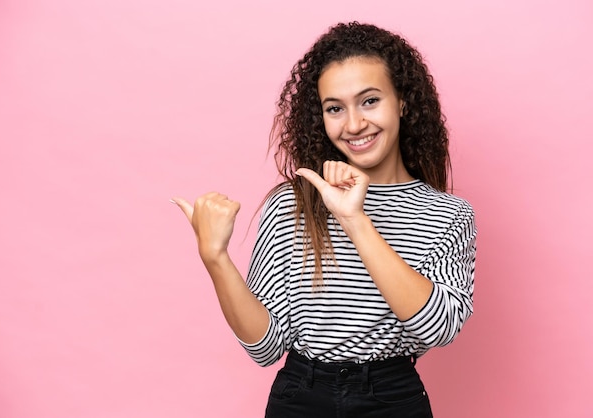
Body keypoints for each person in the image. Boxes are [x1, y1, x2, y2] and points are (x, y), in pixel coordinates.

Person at [172, 21, 476, 418]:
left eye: (370, 101)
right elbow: (265, 348)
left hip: (392, 399)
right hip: (300, 396)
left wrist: (355, 219)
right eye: (335, 108)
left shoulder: (448, 215)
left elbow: (438, 328)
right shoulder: (290, 205)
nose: (353, 125)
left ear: (402, 101)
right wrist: (216, 259)